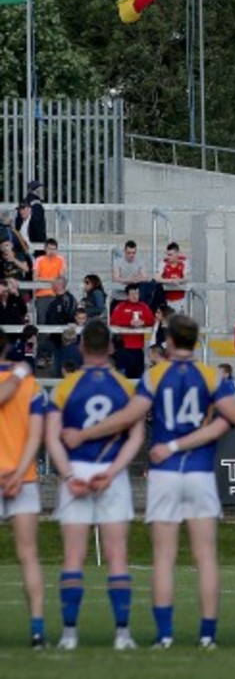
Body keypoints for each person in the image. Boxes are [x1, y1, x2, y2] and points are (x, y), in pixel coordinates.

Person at [62, 313, 235, 650]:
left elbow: (128, 417)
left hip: (165, 471)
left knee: (164, 558)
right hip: (200, 472)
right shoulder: (211, 375)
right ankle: (207, 635)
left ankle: (165, 635)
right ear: (196, 340)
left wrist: (85, 434)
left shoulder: (155, 375)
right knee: (206, 556)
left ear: (170, 341)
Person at [46, 319, 144, 651]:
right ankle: (122, 635)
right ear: (112, 347)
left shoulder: (66, 387)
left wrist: (70, 477)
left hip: (76, 468)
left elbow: (53, 438)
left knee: (73, 555)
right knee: (117, 555)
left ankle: (69, 635)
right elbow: (136, 437)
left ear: (82, 347)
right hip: (111, 473)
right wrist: (112, 472)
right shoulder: (125, 387)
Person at [0, 331, 47, 648]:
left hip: (14, 475)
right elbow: (36, 435)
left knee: (28, 555)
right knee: (28, 556)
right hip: (24, 477)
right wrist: (20, 472)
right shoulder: (30, 384)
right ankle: (37, 629)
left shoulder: (25, 381)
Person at [111, 284, 155, 379]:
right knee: (124, 376)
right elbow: (113, 320)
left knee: (138, 375)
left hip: (138, 347)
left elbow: (151, 320)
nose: (135, 296)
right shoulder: (121, 306)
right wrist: (129, 322)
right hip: (124, 347)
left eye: (137, 294)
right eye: (132, 294)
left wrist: (143, 322)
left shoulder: (143, 306)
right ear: (127, 295)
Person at [33, 238, 67, 324]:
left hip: (56, 295)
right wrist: (52, 279)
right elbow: (35, 278)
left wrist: (51, 280)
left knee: (55, 320)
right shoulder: (39, 260)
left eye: (54, 249)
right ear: (45, 249)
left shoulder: (60, 259)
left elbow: (61, 277)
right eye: (49, 249)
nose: (51, 251)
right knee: (41, 320)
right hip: (41, 295)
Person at [16, 180, 46, 245]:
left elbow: (18, 222)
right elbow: (38, 226)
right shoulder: (37, 205)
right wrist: (41, 243)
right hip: (33, 242)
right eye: (40, 190)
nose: (42, 192)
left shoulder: (24, 201)